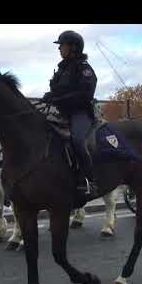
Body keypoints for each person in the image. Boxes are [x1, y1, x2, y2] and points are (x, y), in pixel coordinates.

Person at [42, 30, 98, 195]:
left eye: (62, 45)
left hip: (80, 113)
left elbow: (85, 94)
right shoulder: (61, 70)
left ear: (73, 47)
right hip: (62, 113)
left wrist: (58, 99)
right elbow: (59, 91)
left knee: (78, 140)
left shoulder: (84, 68)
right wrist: (50, 96)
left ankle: (90, 180)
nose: (59, 49)